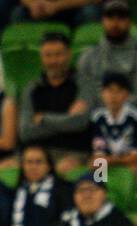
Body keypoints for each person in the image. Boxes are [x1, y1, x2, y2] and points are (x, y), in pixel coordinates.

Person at [20, 32, 92, 175]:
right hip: (37, 153)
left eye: (58, 54)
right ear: (41, 57)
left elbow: (80, 122)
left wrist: (43, 119)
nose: (53, 61)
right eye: (48, 55)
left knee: (61, 169)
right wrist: (66, 120)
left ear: (69, 54)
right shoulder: (32, 88)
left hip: (72, 152)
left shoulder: (83, 84)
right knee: (6, 168)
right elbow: (25, 131)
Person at [75, 0, 137, 104]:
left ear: (130, 23)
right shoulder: (88, 56)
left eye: (121, 18)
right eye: (110, 18)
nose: (115, 23)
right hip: (94, 112)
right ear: (102, 21)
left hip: (127, 112)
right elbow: (83, 93)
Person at [89, 72, 137, 174]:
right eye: (109, 91)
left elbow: (135, 157)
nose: (113, 96)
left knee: (136, 169)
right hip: (109, 161)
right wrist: (104, 160)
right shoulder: (97, 117)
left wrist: (110, 160)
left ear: (126, 95)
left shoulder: (136, 116)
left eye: (119, 91)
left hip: (133, 162)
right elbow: (98, 153)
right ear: (102, 93)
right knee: (97, 169)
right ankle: (100, 188)